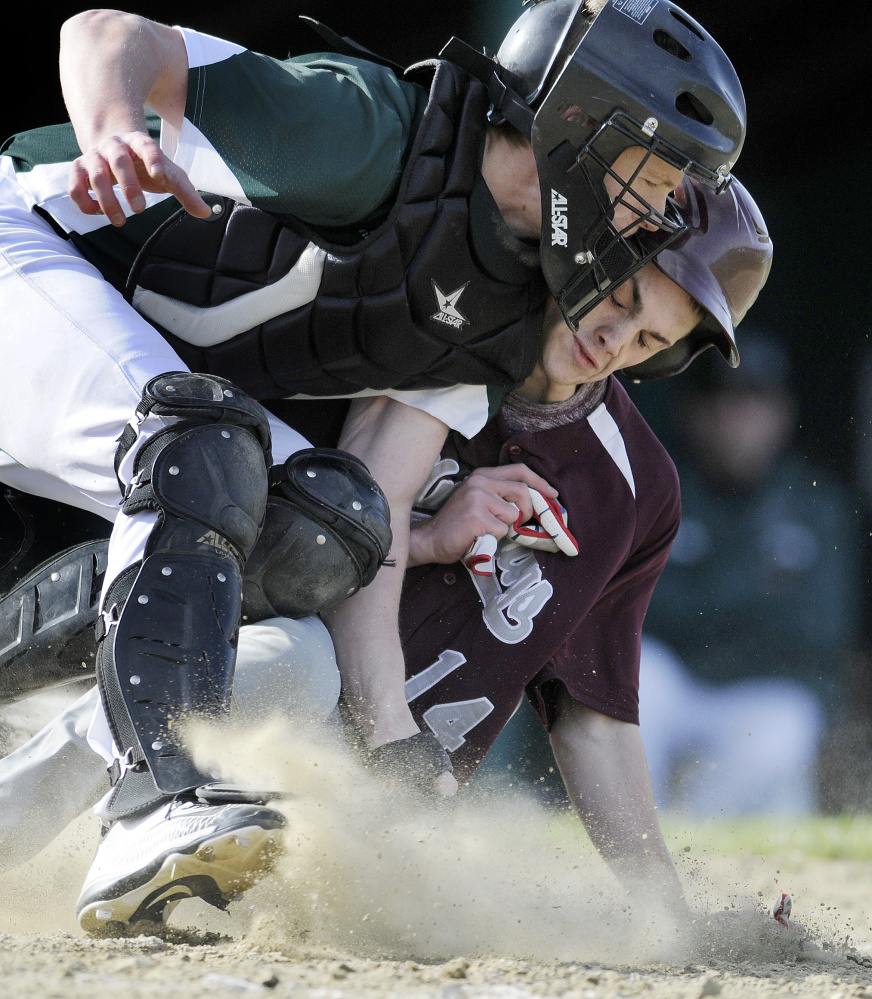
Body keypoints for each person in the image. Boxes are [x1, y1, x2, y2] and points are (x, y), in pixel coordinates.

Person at [0, 172, 772, 929]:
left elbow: (595, 720)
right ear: (590, 250)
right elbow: (293, 510)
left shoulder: (635, 489)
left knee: (464, 914)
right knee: (296, 667)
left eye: (650, 339)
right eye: (623, 295)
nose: (612, 339)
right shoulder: (445, 320)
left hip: (376, 798)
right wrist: (422, 549)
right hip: (229, 662)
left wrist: (670, 915)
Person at [637, 333, 862, 815]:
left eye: (754, 403)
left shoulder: (818, 504)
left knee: (782, 732)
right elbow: (630, 613)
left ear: (784, 414)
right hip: (678, 684)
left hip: (763, 695)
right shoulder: (660, 491)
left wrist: (701, 602)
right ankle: (631, 841)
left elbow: (820, 632)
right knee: (638, 673)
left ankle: (686, 853)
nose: (737, 420)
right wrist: (759, 597)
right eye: (721, 402)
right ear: (691, 413)